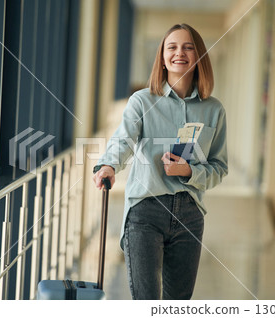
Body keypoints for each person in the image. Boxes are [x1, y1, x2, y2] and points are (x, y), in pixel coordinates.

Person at [92, 23, 228, 300]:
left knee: (178, 303)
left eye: (189, 47)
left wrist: (188, 171)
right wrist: (107, 165)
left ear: (199, 55)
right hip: (145, 212)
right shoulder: (142, 101)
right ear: (163, 57)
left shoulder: (214, 110)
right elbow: (123, 140)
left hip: (190, 214)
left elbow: (219, 167)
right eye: (172, 47)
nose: (180, 53)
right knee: (146, 301)